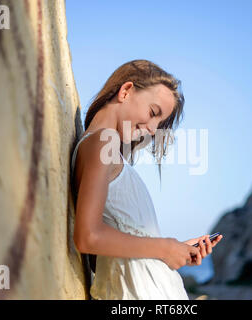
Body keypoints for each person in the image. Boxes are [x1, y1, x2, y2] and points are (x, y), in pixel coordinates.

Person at [71, 59, 223, 300]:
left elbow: (106, 254)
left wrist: (176, 250)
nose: (153, 129)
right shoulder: (103, 141)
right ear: (126, 91)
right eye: (153, 113)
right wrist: (165, 247)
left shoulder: (107, 148)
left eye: (159, 123)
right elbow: (87, 237)